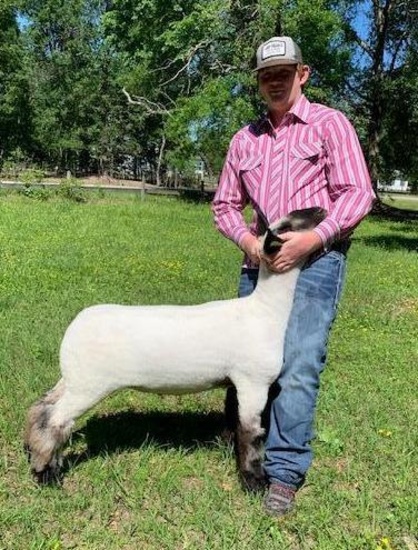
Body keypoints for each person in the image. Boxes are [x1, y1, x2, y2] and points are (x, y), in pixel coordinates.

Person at [212, 36, 375, 517]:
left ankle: (283, 470)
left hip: (316, 261)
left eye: (285, 71)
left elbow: (357, 193)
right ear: (259, 82)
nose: (276, 80)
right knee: (245, 357)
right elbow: (224, 204)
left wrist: (316, 237)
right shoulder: (245, 138)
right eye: (267, 74)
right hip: (260, 265)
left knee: (298, 364)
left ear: (302, 73)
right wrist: (248, 243)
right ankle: (244, 440)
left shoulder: (330, 125)